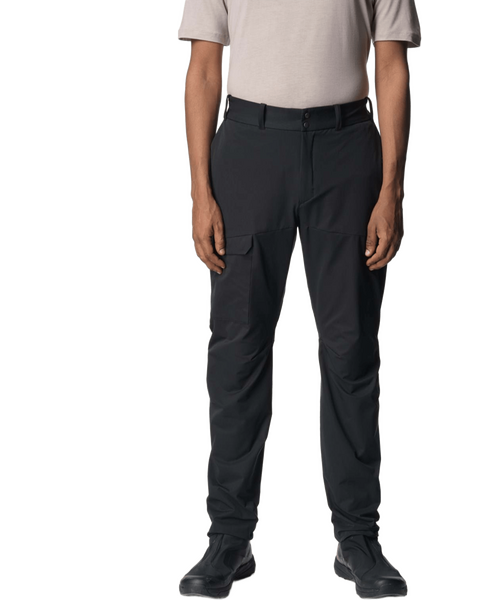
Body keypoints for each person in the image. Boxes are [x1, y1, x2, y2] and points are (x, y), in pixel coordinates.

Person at [176, 0, 421, 598]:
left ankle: (358, 541)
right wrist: (200, 190)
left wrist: (392, 188)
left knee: (351, 351)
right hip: (248, 148)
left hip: (348, 149)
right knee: (237, 352)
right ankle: (228, 540)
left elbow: (391, 62)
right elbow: (204, 65)